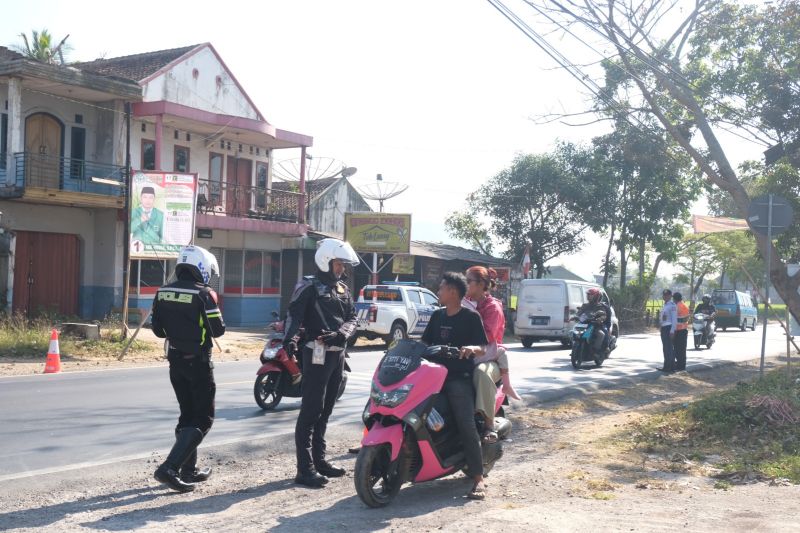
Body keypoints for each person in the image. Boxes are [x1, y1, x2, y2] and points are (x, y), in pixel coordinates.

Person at [283, 238, 360, 488]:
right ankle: (304, 469)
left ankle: (320, 460)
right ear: (326, 261)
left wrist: (342, 334)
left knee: (326, 410)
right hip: (315, 354)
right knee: (311, 411)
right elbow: (294, 317)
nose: (342, 270)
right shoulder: (308, 286)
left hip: (337, 355)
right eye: (339, 264)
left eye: (343, 265)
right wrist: (290, 340)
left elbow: (352, 318)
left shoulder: (342, 289)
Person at [151, 245, 225, 493]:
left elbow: (158, 330)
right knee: (203, 418)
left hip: (175, 362)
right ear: (201, 267)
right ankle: (169, 468)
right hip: (199, 363)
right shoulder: (205, 294)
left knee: (187, 416)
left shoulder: (162, 292)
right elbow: (218, 330)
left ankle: (188, 470)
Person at [421, 272, 489, 500]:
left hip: (457, 378)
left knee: (465, 423)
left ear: (452, 291)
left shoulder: (470, 317)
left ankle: (478, 478)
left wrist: (471, 348)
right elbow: (424, 342)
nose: (438, 292)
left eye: (441, 288)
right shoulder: (437, 316)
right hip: (432, 377)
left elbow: (483, 347)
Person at [464, 266, 520, 444]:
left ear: (481, 284)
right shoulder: (465, 302)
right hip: (466, 353)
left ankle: (489, 425)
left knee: (481, 373)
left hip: (489, 356)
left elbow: (486, 338)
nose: (465, 285)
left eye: (469, 281)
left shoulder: (492, 308)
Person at [576, 288, 612, 353]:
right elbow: (580, 312)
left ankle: (599, 350)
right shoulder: (585, 305)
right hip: (585, 324)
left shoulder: (600, 306)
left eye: (590, 295)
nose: (588, 296)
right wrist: (576, 316)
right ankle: (576, 348)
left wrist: (600, 319)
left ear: (596, 296)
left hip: (596, 325)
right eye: (588, 294)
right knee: (575, 333)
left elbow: (603, 315)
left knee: (602, 333)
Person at [658, 289, 677, 372]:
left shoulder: (672, 305)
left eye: (666, 295)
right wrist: (661, 326)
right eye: (664, 295)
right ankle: (670, 366)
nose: (665, 296)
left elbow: (674, 319)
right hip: (664, 327)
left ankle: (668, 367)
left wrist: (672, 331)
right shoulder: (665, 305)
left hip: (669, 328)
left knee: (668, 348)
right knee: (667, 348)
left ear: (670, 296)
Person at [673, 292, 690, 371]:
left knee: (677, 349)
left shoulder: (677, 306)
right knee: (682, 349)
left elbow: (675, 319)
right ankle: (681, 365)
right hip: (684, 329)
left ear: (675, 299)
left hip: (679, 330)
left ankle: (680, 366)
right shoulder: (685, 305)